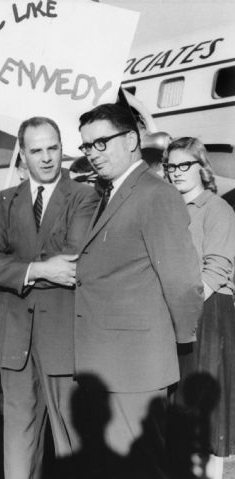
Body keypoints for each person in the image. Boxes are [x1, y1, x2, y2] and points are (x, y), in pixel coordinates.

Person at [74, 104, 204, 469]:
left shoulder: (154, 195)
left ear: (131, 139)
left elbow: (183, 282)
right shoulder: (111, 193)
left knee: (138, 468)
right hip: (110, 362)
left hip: (136, 366)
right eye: (87, 146)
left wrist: (176, 343)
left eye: (101, 142)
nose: (93, 154)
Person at [0, 117, 99, 479]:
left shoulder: (84, 196)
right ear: (23, 157)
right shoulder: (5, 200)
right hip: (16, 339)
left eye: (53, 148)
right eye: (36, 151)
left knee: (70, 444)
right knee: (18, 442)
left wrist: (14, 268)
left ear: (63, 148)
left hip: (63, 338)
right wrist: (41, 270)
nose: (46, 158)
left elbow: (73, 258)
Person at [164, 137, 235, 479]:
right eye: (171, 166)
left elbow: (217, 268)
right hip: (175, 313)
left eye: (184, 165)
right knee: (178, 409)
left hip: (207, 312)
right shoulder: (168, 209)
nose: (176, 172)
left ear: (202, 167)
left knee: (206, 409)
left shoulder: (217, 208)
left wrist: (183, 311)